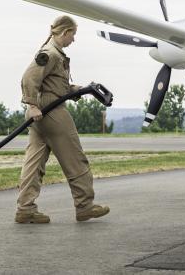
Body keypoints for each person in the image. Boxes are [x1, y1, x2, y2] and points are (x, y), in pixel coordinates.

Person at [15, 15, 110, 224]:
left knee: (34, 163)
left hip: (42, 113)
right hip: (52, 112)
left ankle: (25, 209)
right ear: (65, 32)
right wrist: (31, 105)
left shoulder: (55, 53)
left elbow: (56, 86)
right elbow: (29, 78)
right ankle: (85, 206)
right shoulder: (50, 54)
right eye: (73, 35)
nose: (73, 40)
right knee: (75, 159)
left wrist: (80, 90)